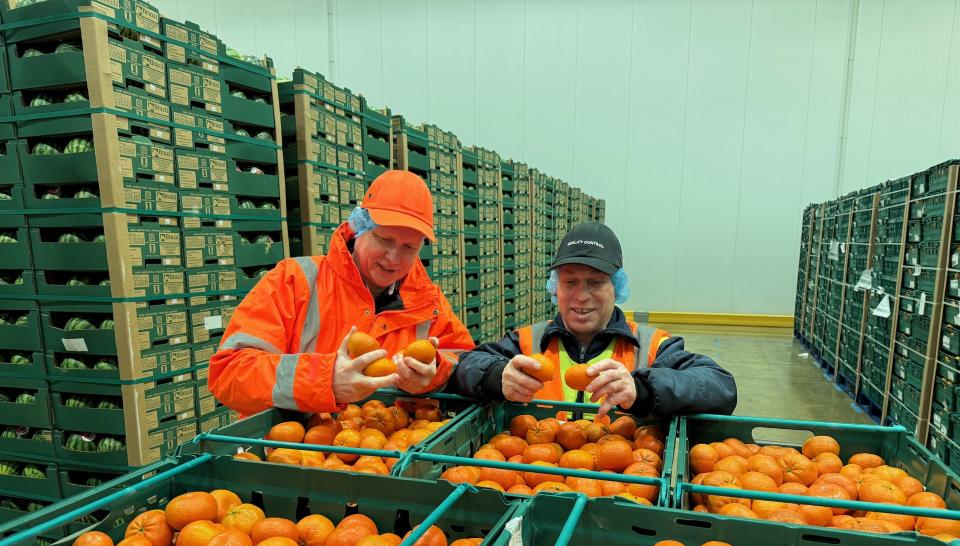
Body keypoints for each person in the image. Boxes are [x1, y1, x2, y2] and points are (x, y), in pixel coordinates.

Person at [209, 170, 475, 416]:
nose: (393, 258)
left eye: (409, 247)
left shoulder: (428, 302)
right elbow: (229, 373)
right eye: (384, 240)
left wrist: (434, 371)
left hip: (391, 457)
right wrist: (323, 380)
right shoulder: (294, 281)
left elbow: (464, 361)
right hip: (292, 457)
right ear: (359, 228)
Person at [446, 221, 737, 417]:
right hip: (537, 481)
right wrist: (496, 376)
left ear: (617, 288)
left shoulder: (650, 346)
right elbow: (463, 366)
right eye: (570, 282)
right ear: (555, 288)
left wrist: (644, 388)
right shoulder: (528, 342)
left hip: (622, 490)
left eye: (596, 283)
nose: (581, 296)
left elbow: (721, 387)